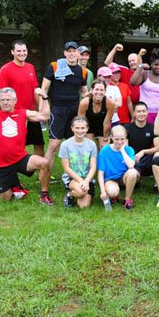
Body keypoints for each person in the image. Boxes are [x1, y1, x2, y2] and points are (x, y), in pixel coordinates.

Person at [40, 41, 89, 205]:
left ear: (78, 54)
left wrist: (92, 99)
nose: (72, 54)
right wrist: (44, 107)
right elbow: (44, 89)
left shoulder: (82, 71)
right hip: (58, 110)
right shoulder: (54, 66)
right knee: (54, 146)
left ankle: (72, 180)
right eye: (69, 51)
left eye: (74, 51)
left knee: (73, 145)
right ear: (64, 53)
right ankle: (44, 187)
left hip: (74, 111)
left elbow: (83, 91)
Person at [0, 39, 44, 157]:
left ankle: (41, 174)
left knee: (39, 144)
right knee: (16, 146)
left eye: (24, 50)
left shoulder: (30, 67)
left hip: (31, 113)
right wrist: (6, 114)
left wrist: (41, 111)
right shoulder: (5, 70)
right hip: (15, 115)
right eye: (18, 51)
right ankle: (13, 172)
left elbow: (35, 91)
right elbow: (1, 94)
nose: (22, 53)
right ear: (12, 52)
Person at [97, 125, 139, 211]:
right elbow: (100, 173)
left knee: (133, 172)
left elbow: (131, 165)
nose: (120, 142)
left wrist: (122, 150)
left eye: (122, 139)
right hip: (110, 179)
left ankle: (127, 199)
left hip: (124, 177)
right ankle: (114, 196)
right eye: (116, 139)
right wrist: (103, 192)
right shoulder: (104, 150)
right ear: (111, 138)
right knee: (113, 192)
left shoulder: (129, 149)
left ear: (125, 138)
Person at [59, 116, 97, 208]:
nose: (80, 131)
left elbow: (93, 167)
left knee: (83, 206)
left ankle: (77, 193)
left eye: (83, 128)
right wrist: (80, 180)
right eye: (77, 128)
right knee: (80, 192)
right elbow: (66, 168)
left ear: (87, 128)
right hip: (72, 178)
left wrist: (86, 181)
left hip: (87, 178)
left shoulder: (92, 145)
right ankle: (70, 194)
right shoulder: (65, 145)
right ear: (72, 128)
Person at [131, 48, 159, 124]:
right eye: (155, 65)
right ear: (151, 64)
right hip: (144, 113)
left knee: (157, 134)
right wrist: (140, 66)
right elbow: (133, 82)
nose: (158, 67)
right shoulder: (145, 74)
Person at [125, 102, 159, 180]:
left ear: (147, 112)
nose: (141, 114)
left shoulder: (152, 128)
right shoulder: (127, 128)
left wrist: (143, 151)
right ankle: (134, 176)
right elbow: (125, 148)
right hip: (132, 160)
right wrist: (132, 158)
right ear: (134, 113)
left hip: (147, 160)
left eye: (143, 111)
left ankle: (157, 183)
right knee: (134, 180)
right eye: (138, 111)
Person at [77, 79, 115, 148]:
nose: (99, 92)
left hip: (102, 127)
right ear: (92, 90)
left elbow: (106, 123)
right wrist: (82, 136)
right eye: (97, 89)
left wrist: (105, 138)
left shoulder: (110, 103)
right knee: (90, 148)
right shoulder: (84, 103)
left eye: (101, 90)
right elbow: (81, 122)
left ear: (105, 91)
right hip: (89, 126)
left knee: (104, 149)